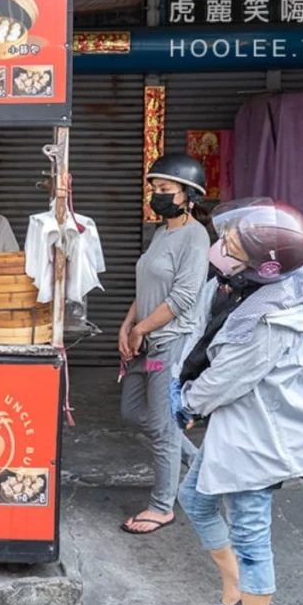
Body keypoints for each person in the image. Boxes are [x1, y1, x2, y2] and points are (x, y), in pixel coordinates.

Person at [172, 199, 303, 605]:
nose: (221, 247)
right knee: (194, 500)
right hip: (237, 429)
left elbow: (229, 377)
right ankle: (235, 594)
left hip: (258, 437)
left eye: (232, 245)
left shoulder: (268, 317)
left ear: (265, 266)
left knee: (250, 536)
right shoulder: (253, 289)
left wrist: (188, 403)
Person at [118, 154, 211, 534]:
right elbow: (147, 288)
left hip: (170, 345)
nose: (156, 196)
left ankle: (162, 506)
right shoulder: (162, 233)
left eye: (165, 191)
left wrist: (142, 331)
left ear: (188, 196)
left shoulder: (195, 236)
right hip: (147, 344)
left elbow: (183, 297)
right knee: (133, 410)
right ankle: (198, 461)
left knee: (161, 426)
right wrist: (127, 326)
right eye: (154, 190)